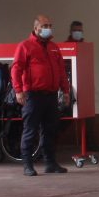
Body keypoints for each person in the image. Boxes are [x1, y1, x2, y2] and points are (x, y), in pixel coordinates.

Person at [12, 14, 70, 176]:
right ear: (36, 28)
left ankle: (50, 163)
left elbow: (60, 71)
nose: (48, 28)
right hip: (33, 95)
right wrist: (18, 90)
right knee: (30, 130)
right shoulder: (25, 46)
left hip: (51, 95)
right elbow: (16, 69)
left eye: (49, 25)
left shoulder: (53, 47)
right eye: (44, 26)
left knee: (50, 131)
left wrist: (65, 91)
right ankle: (27, 165)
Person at [66, 20, 99, 153]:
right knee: (67, 117)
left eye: (80, 30)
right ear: (71, 32)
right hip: (71, 88)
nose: (78, 33)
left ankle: (90, 143)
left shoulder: (86, 47)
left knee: (89, 116)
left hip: (84, 86)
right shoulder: (65, 46)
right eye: (75, 30)